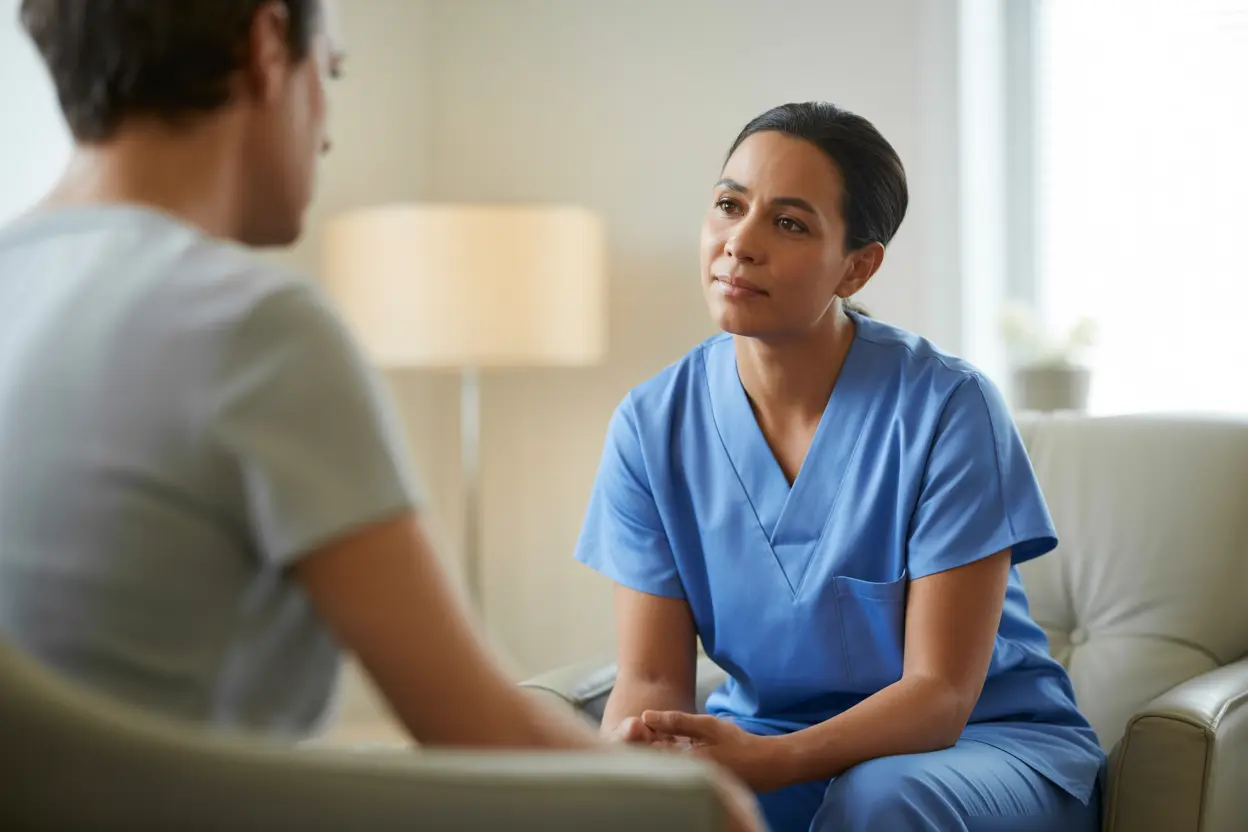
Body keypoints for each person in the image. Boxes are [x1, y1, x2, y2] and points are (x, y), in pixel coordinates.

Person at [0, 2, 765, 828]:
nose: (327, 132)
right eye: (330, 72)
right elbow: (484, 735)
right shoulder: (252, 327)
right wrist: (708, 805)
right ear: (267, 45)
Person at [575, 101, 1106, 832]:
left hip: (980, 747)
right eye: (730, 205)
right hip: (765, 742)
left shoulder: (949, 408)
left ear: (856, 267)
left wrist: (770, 763)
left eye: (789, 224)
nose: (740, 243)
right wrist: (632, 771)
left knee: (879, 799)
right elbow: (652, 678)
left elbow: (940, 695)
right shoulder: (650, 425)